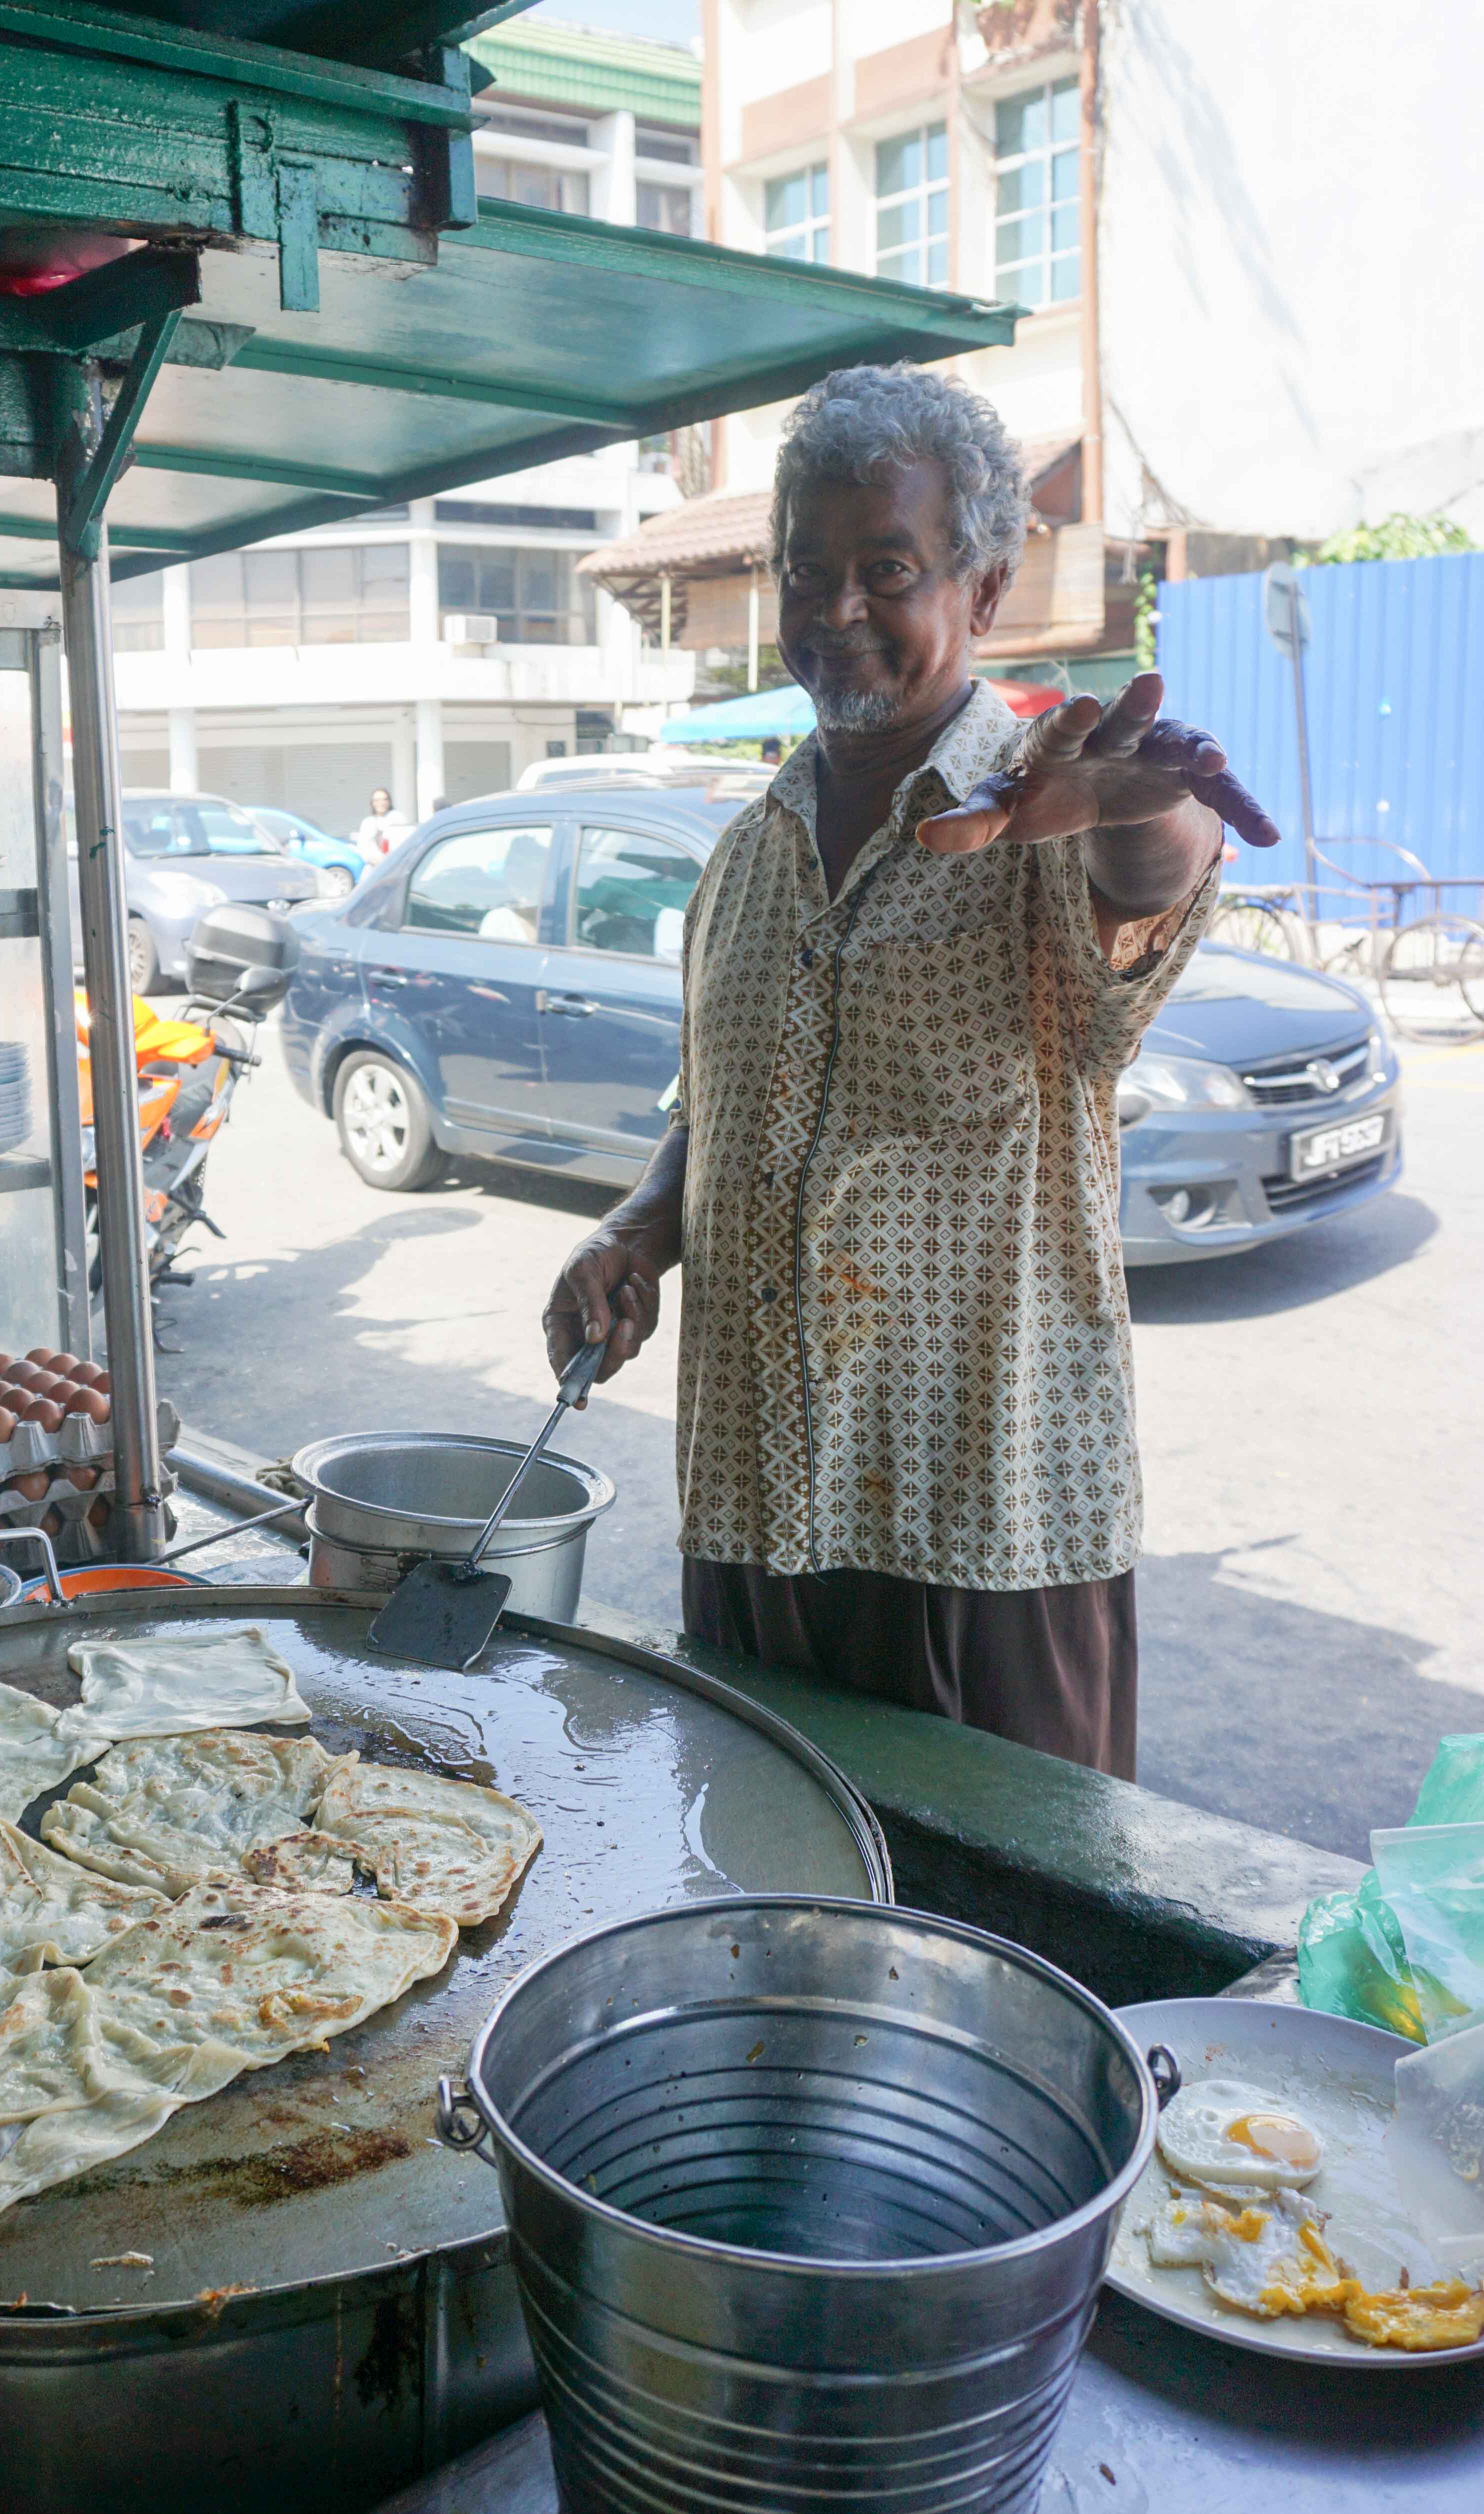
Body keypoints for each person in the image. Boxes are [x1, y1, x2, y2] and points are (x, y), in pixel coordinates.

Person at [542, 364, 1278, 1778]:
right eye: (805, 571)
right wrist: (643, 1220)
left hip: (982, 1538)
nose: (835, 612)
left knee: (993, 1958)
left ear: (983, 589)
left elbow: (1150, 877)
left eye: (886, 568)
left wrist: (1152, 813)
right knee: (771, 1922)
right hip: (754, 1519)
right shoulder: (746, 849)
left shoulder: (1045, 807)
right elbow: (726, 1100)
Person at [354, 785, 411, 866]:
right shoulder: (368, 823)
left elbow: (405, 842)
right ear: (373, 803)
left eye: (384, 800)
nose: (381, 803)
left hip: (397, 864)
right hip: (375, 867)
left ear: (389, 802)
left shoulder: (399, 818)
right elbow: (363, 848)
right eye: (377, 801)